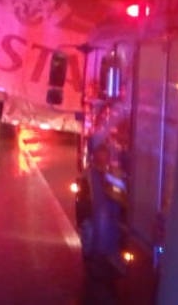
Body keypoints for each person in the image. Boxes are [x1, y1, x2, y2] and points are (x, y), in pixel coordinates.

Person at [78, 131, 126, 305]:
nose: (103, 154)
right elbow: (82, 209)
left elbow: (123, 201)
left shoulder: (114, 175)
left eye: (105, 150)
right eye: (99, 150)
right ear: (93, 153)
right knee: (96, 286)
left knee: (110, 283)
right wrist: (86, 235)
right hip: (95, 240)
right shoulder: (87, 177)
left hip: (112, 240)